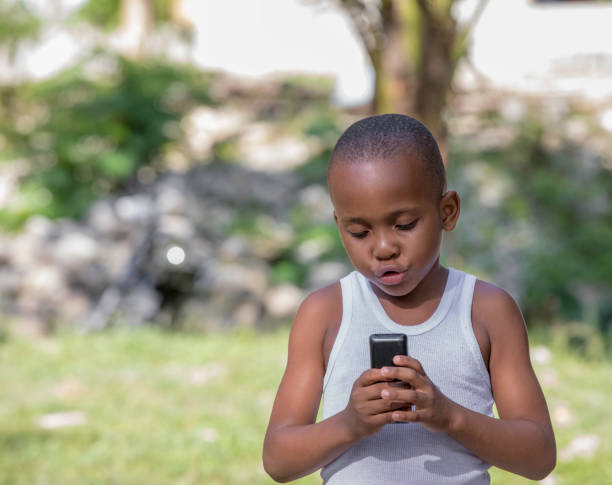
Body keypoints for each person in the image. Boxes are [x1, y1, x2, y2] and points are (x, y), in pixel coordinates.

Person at [262, 114, 556, 484]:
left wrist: (450, 417)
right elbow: (278, 459)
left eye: (404, 225)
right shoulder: (324, 313)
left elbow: (539, 455)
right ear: (339, 227)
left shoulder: (487, 311)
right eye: (360, 231)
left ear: (447, 212)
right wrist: (350, 424)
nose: (384, 248)